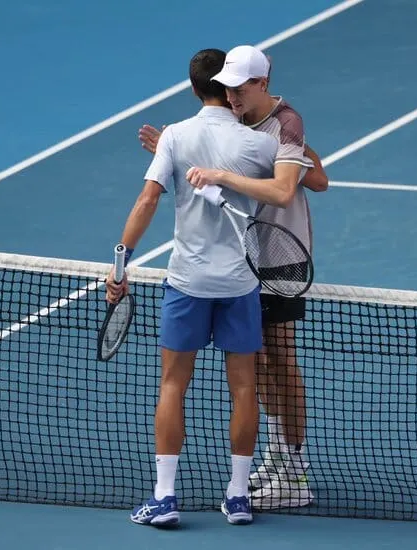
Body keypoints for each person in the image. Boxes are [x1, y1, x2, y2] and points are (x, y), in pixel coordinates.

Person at [139, 45, 328, 511]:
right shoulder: (236, 120)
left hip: (279, 254)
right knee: (258, 364)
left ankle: (296, 469)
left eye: (240, 87)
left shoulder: (286, 123)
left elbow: (310, 182)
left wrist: (225, 173)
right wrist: (174, 147)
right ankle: (278, 453)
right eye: (227, 86)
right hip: (242, 261)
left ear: (263, 84)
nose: (232, 94)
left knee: (280, 360)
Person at [107, 48, 282, 528]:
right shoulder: (261, 147)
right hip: (241, 282)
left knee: (172, 384)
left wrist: (120, 266)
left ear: (192, 88)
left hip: (187, 282)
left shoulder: (176, 138)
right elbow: (302, 181)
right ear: (231, 88)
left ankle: (164, 498)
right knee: (244, 386)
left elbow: (147, 200)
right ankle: (239, 495)